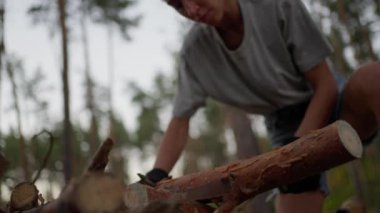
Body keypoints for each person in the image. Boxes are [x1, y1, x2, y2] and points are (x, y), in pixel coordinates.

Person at [143, 0, 380, 212]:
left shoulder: (275, 5)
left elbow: (325, 85)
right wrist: (156, 175)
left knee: (374, 77)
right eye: (178, 6)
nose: (191, 9)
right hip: (284, 125)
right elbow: (180, 120)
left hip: (330, 99)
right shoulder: (195, 52)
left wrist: (298, 148)